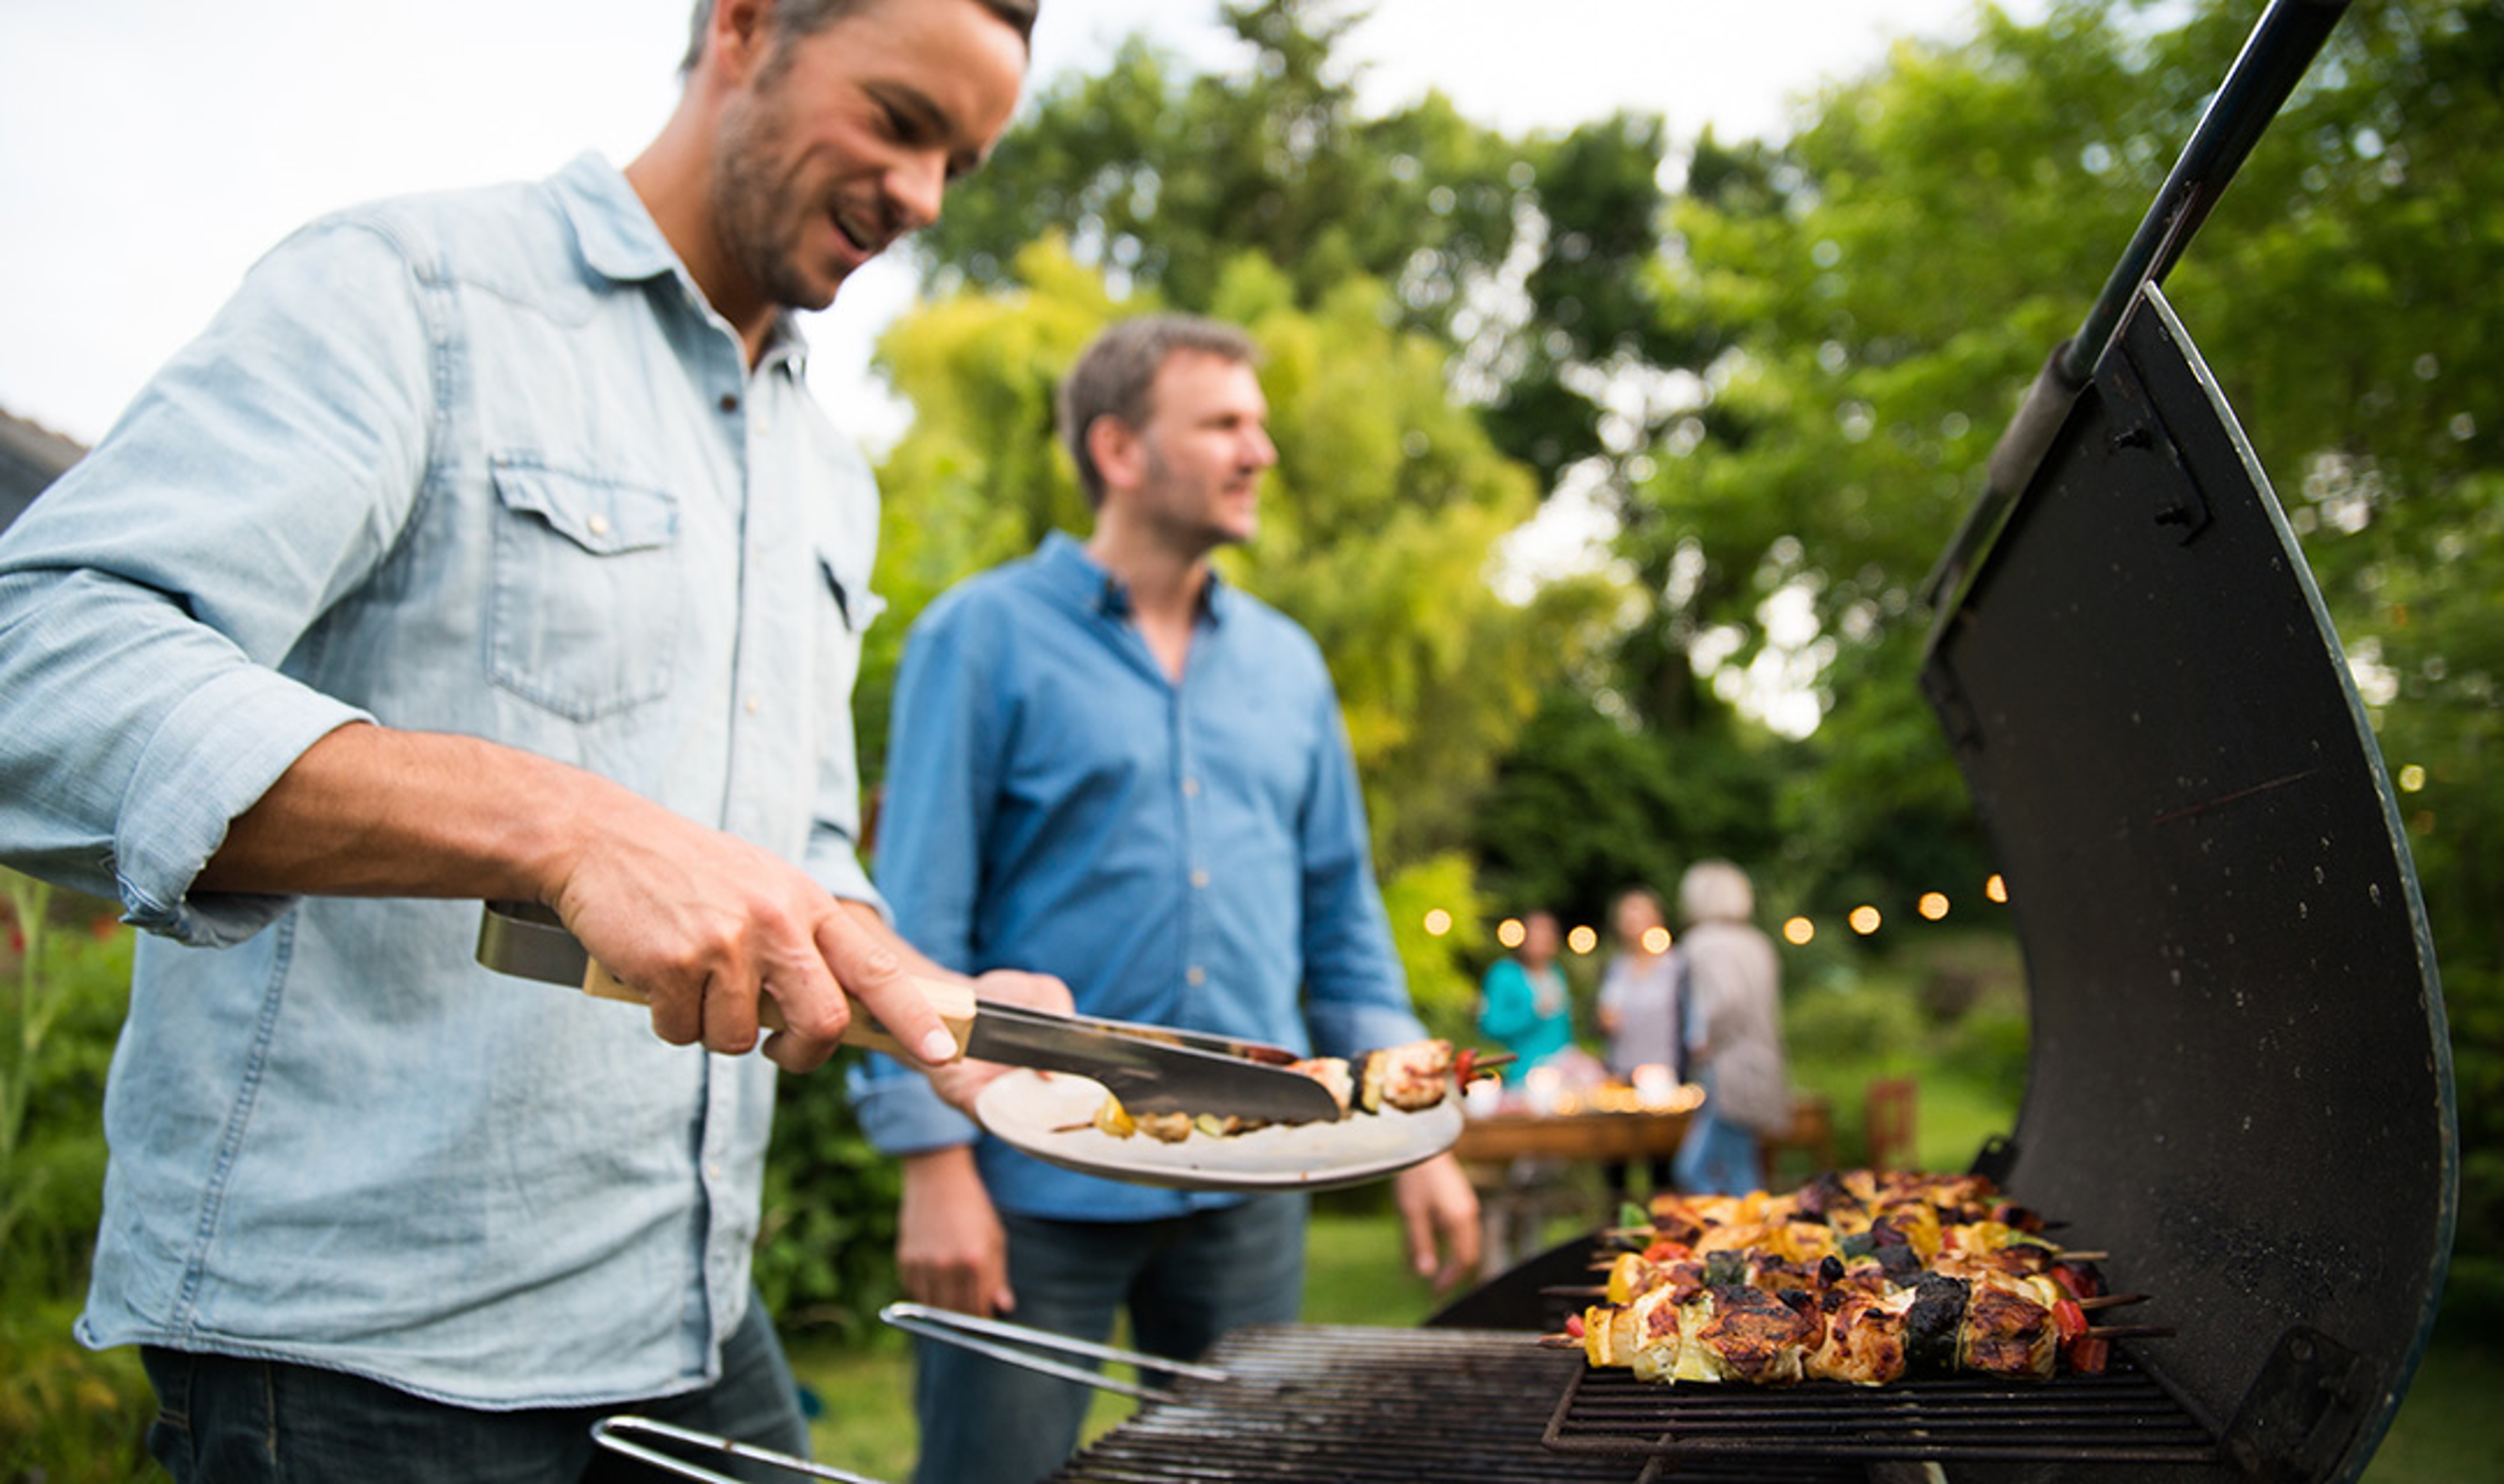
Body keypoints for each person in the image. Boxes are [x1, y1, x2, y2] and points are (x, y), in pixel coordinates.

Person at [0, 2, 1060, 1477]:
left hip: (681, 1314)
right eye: (896, 119)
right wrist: (557, 823)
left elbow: (790, 849)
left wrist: (921, 996)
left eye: (963, 158)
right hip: (361, 1358)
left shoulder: (830, 472)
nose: (926, 197)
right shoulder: (414, 291)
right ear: (744, 27)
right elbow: (36, 659)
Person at [848, 314, 1482, 1484]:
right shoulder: (979, 637)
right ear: (1121, 451)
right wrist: (932, 1165)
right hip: (1037, 1178)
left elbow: (1344, 926)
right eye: (1226, 423)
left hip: (1256, 1175)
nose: (1262, 451)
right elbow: (915, 923)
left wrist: (1419, 1129)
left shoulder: (1290, 666)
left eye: (1262, 423)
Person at [1670, 860, 1792, 1196]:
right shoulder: (1757, 942)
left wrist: (1704, 1040)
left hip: (1728, 1071)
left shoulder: (1704, 943)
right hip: (1764, 1066)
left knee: (1696, 1169)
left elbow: (1726, 1001)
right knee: (1741, 1164)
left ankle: (1729, 1237)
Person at [1595, 885, 1682, 1198]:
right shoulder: (1616, 967)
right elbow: (1603, 1015)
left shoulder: (1675, 965)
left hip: (1665, 1072)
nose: (1633, 920)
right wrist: (1603, 1021)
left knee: (1662, 1160)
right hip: (1621, 1070)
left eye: (1640, 911)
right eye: (1627, 913)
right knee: (1616, 1159)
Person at [1476, 908, 1574, 1081]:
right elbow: (1490, 1025)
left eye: (1548, 933)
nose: (1543, 940)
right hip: (1522, 1072)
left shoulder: (1556, 973)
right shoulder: (1503, 974)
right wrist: (1532, 1014)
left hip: (1561, 1069)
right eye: (1537, 933)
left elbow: (1562, 1032)